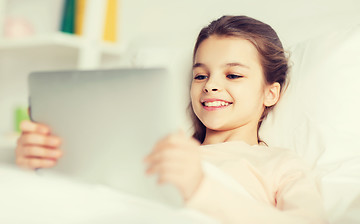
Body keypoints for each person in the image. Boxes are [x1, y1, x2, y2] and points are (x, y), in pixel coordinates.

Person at [16, 16, 327, 223]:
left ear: (270, 93)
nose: (211, 85)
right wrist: (42, 164)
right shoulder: (157, 148)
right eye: (201, 75)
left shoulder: (280, 164)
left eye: (233, 74)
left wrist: (200, 187)